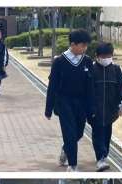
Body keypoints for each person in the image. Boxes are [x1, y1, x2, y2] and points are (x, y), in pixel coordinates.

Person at [45, 29, 95, 171]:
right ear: (73, 44)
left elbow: (91, 87)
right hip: (64, 102)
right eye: (83, 45)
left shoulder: (87, 61)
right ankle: (73, 166)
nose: (85, 48)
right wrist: (49, 108)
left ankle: (66, 149)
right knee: (69, 133)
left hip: (81, 103)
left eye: (86, 46)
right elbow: (52, 86)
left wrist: (92, 108)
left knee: (79, 132)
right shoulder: (59, 62)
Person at [91, 42, 122, 172]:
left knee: (107, 133)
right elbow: (85, 90)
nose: (106, 59)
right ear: (97, 56)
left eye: (108, 56)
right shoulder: (91, 69)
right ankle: (101, 158)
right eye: (103, 56)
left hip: (111, 110)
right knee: (97, 132)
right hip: (94, 110)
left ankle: (103, 155)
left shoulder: (117, 70)